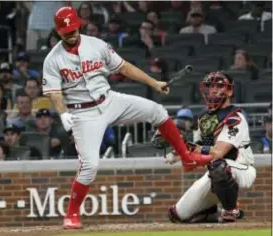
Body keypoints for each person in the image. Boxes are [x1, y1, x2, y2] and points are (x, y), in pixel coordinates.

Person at [43, 6, 213, 229]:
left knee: (157, 111)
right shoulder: (53, 59)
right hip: (83, 113)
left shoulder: (96, 45)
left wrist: (154, 83)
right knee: (90, 166)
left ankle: (186, 158)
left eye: (73, 29)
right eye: (66, 32)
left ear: (79, 25)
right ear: (58, 32)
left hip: (109, 100)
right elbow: (54, 92)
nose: (71, 34)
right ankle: (72, 214)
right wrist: (63, 113)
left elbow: (123, 67)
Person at [163, 71, 256, 223]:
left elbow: (219, 152)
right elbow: (202, 147)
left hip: (240, 169)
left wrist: (188, 146)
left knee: (220, 166)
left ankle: (231, 210)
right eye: (210, 86)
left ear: (229, 91)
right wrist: (178, 149)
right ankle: (209, 212)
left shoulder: (235, 117)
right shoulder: (205, 118)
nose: (213, 90)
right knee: (177, 215)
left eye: (219, 86)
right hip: (215, 174)